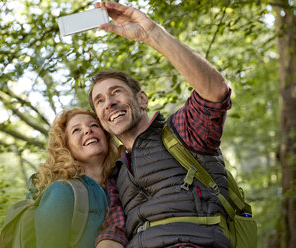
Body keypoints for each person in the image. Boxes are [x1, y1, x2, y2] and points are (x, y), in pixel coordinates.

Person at [89, 2, 233, 248]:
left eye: (116, 92)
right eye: (99, 101)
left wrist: (151, 33)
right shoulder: (116, 172)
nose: (109, 103)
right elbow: (113, 230)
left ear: (142, 99)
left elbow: (215, 92)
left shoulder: (182, 132)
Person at [32, 108, 121, 248]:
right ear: (65, 147)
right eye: (76, 130)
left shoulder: (122, 184)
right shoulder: (62, 191)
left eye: (94, 125)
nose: (87, 130)